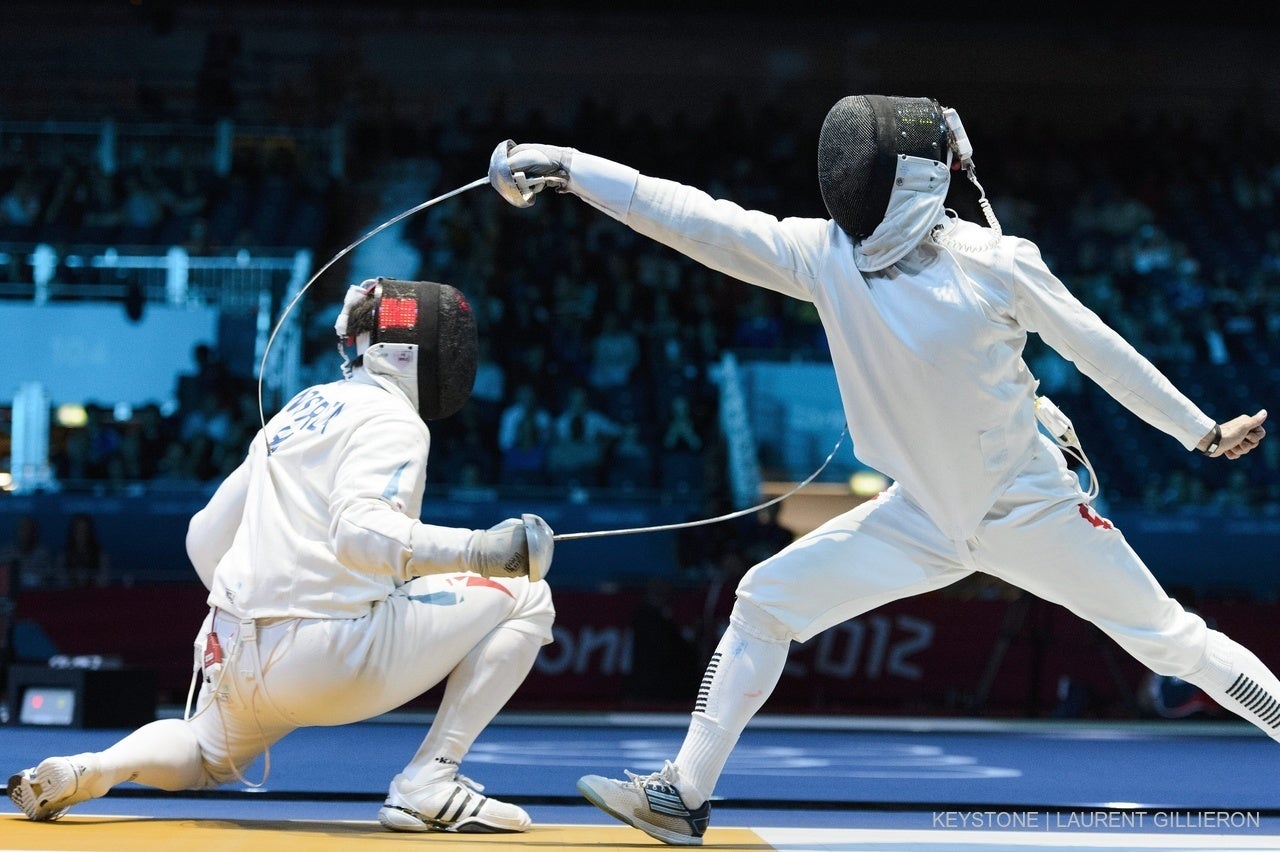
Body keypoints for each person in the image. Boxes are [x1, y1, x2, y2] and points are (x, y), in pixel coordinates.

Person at [495, 95, 1272, 845]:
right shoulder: (824, 255)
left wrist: (1200, 431)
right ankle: (683, 796)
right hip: (921, 516)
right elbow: (693, 217)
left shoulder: (996, 264)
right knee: (765, 601)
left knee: (1175, 642)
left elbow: (1100, 350)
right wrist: (570, 166)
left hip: (1028, 508)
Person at [8, 277, 557, 835]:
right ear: (416, 354)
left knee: (203, 755)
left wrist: (252, 615)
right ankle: (430, 781)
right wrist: (485, 552)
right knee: (528, 593)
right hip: (328, 657)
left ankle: (93, 768)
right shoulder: (393, 419)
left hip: (231, 656)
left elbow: (203, 536)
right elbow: (361, 532)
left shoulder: (302, 408)